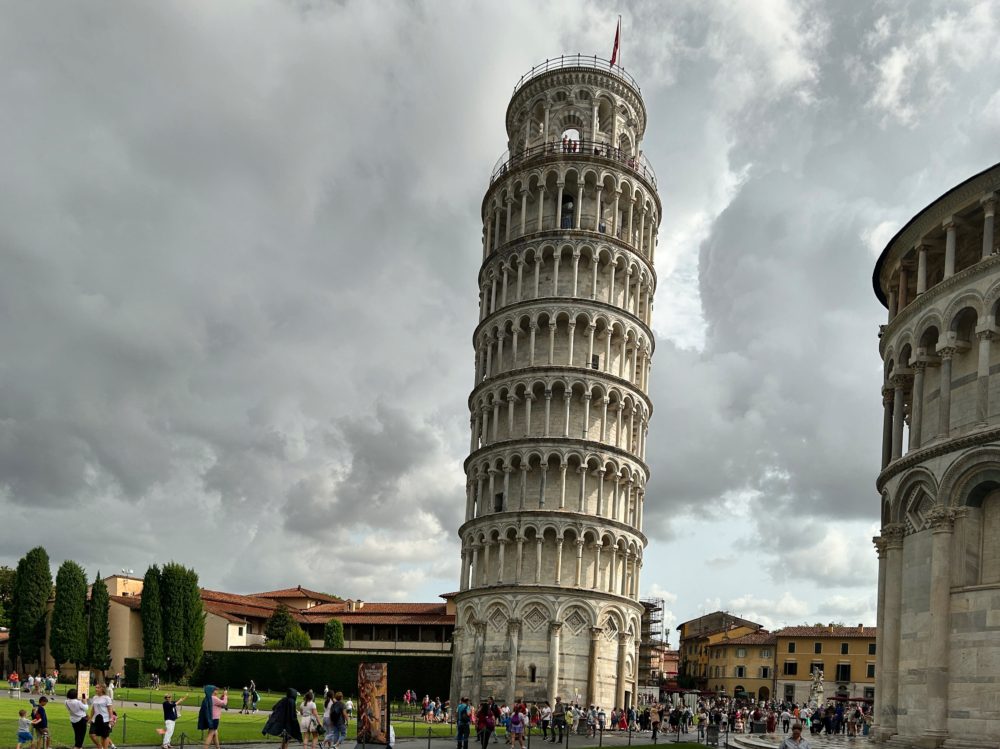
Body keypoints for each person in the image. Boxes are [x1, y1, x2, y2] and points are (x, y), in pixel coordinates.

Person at [197, 685, 228, 749]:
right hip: (215, 719)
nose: (217, 691)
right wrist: (225, 695)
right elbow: (224, 703)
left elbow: (218, 703)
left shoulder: (209, 698)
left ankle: (218, 747)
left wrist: (222, 697)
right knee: (211, 734)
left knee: (215, 733)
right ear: (212, 691)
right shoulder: (214, 698)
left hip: (211, 718)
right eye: (215, 690)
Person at [89, 683, 116, 749]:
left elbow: (110, 709)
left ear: (102, 689)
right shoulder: (95, 697)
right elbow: (93, 709)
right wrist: (90, 718)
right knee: (91, 734)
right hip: (95, 719)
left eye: (98, 688)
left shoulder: (107, 698)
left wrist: (111, 720)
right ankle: (99, 745)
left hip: (105, 719)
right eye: (96, 687)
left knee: (104, 736)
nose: (96, 689)